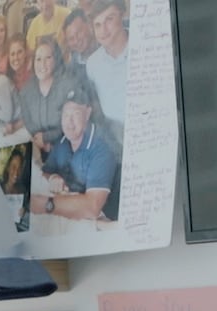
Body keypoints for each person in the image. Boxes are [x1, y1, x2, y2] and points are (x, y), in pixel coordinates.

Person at [33, 88, 119, 222]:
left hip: (102, 224)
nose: (69, 122)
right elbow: (45, 172)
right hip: (70, 216)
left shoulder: (102, 147)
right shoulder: (62, 141)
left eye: (76, 114)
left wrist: (45, 204)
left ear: (88, 113)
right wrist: (53, 178)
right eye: (66, 114)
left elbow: (92, 207)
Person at [18, 35, 83, 157]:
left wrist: (47, 138)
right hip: (38, 148)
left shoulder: (68, 85)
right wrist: (40, 141)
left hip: (68, 149)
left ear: (56, 59)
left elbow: (74, 122)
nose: (42, 64)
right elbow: (28, 121)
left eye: (48, 58)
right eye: (38, 59)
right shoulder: (26, 91)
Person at [85, 0, 129, 147]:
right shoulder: (92, 64)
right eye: (97, 25)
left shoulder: (144, 48)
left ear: (122, 15)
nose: (103, 30)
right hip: (115, 141)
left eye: (109, 19)